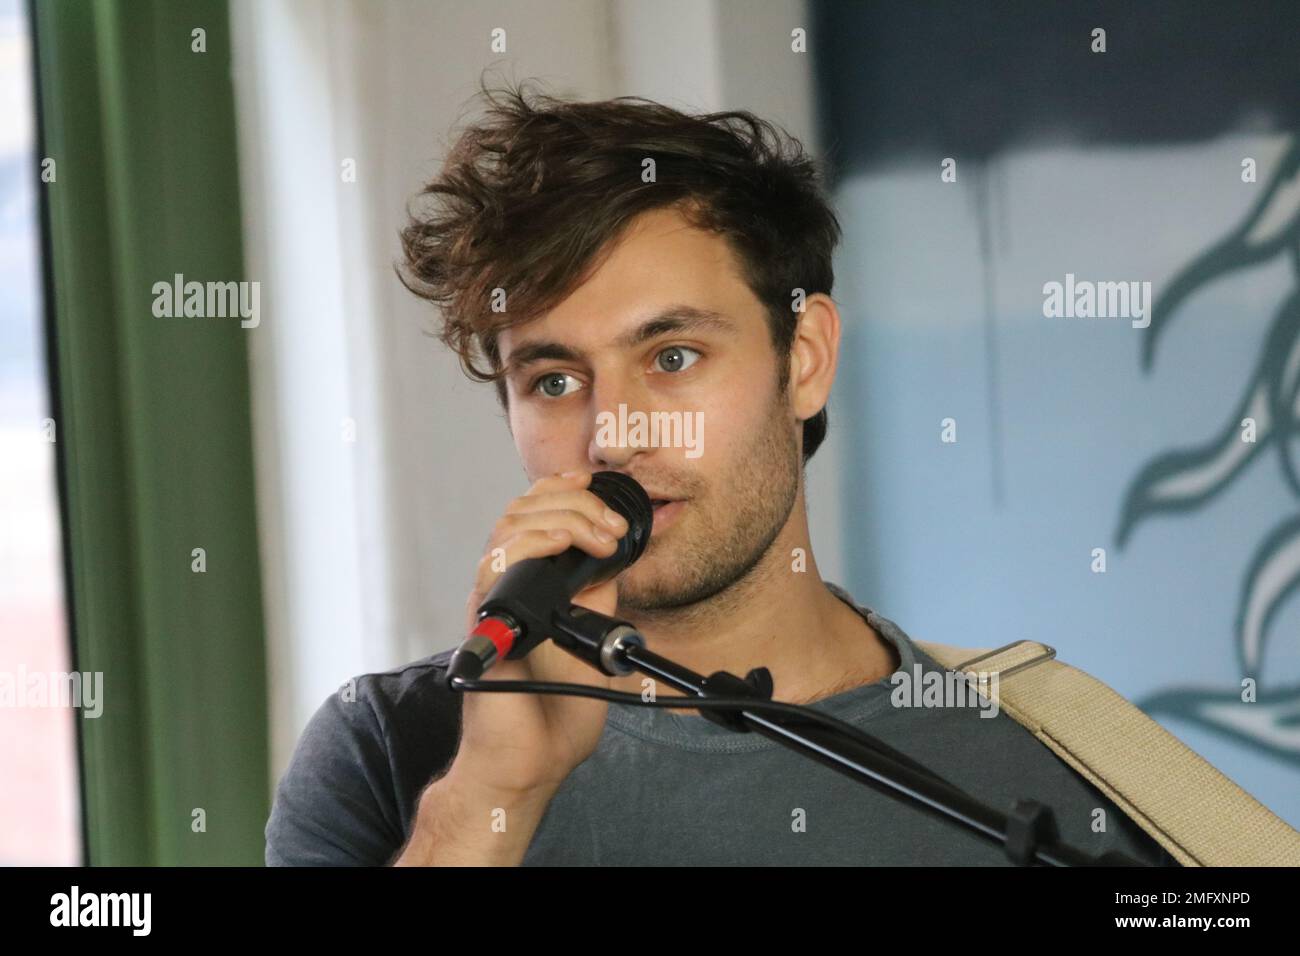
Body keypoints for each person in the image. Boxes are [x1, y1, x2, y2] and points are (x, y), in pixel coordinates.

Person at [266, 79, 1186, 866]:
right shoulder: (394, 747)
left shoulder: (1050, 753)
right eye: (553, 380)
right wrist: (492, 796)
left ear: (806, 358)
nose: (612, 436)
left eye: (671, 357)